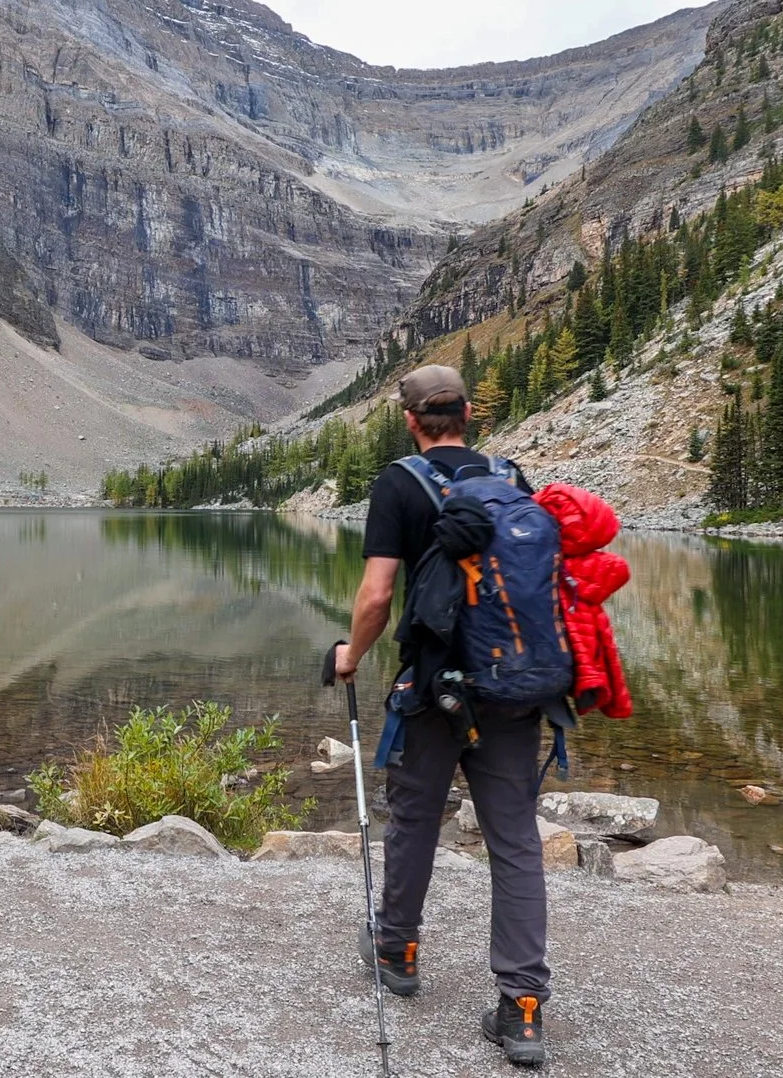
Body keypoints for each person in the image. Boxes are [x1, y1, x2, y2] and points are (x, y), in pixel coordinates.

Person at [332, 364, 552, 1067]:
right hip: (513, 688)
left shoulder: (399, 483)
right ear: (468, 415)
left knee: (415, 818)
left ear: (409, 420)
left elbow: (376, 597)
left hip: (432, 690)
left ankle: (398, 950)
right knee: (514, 839)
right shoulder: (511, 478)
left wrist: (350, 656)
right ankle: (522, 1008)